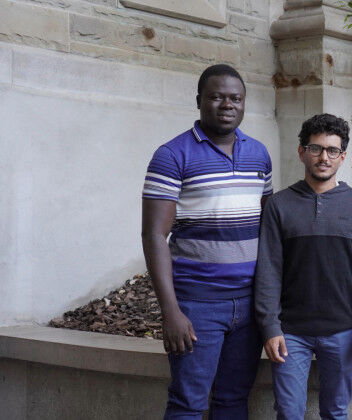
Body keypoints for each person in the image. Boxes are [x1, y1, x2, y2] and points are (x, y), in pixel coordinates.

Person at [141, 64, 272, 419]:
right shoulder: (172, 155)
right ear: (199, 101)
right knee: (188, 403)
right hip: (198, 305)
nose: (227, 105)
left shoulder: (259, 154)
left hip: (250, 305)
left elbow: (267, 229)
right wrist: (171, 311)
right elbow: (154, 234)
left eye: (235, 98)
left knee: (233, 400)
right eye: (216, 97)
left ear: (244, 103)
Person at [254, 113, 352, 420]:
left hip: (341, 331)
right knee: (289, 413)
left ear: (343, 157)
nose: (324, 157)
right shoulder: (279, 205)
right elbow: (268, 271)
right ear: (302, 152)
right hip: (290, 333)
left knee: (336, 412)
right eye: (315, 149)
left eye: (332, 150)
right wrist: (270, 327)